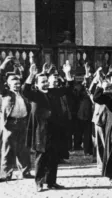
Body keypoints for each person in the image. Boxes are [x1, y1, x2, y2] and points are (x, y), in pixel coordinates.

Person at [23, 62, 73, 192]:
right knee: (41, 158)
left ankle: (51, 182)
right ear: (37, 84)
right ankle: (39, 182)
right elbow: (25, 90)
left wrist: (67, 73)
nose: (45, 83)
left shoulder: (53, 92)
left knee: (54, 157)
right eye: (42, 82)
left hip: (55, 130)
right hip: (41, 132)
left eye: (46, 81)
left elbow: (68, 88)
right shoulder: (34, 94)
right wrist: (31, 75)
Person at [0, 56, 32, 182]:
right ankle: (5, 174)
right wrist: (4, 64)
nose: (17, 84)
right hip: (10, 124)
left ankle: (25, 171)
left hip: (23, 123)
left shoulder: (23, 93)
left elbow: (27, 81)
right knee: (7, 149)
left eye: (18, 82)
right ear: (8, 83)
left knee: (24, 149)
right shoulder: (4, 93)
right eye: (14, 81)